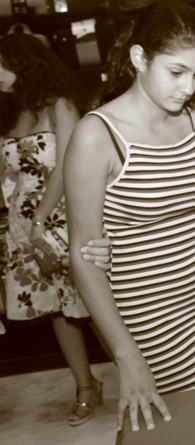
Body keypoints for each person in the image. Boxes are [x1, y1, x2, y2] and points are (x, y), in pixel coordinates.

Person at [64, 0, 195, 432]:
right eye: (176, 72)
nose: (188, 86)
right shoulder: (96, 136)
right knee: (172, 427)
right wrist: (126, 355)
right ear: (140, 58)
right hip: (148, 316)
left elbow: (191, 215)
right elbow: (84, 256)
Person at [0, 33, 109, 426]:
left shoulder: (60, 105)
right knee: (55, 310)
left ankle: (138, 372)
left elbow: (67, 165)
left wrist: (41, 218)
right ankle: (85, 386)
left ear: (23, 65)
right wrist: (23, 224)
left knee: (95, 299)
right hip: (24, 225)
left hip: (67, 214)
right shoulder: (7, 113)